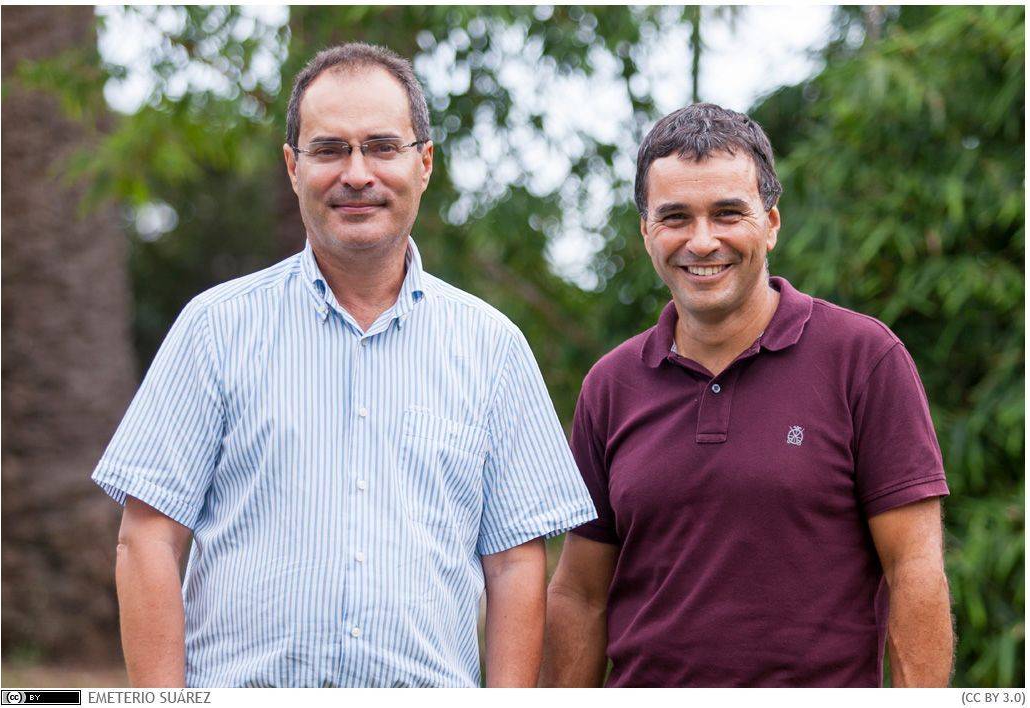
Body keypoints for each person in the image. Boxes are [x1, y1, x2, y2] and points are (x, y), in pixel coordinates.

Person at [93, 42, 595, 688]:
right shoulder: (214, 331)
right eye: (329, 150)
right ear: (293, 167)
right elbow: (147, 540)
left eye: (382, 147)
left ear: (424, 163)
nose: (357, 174)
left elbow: (515, 565)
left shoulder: (494, 350)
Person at [539, 103, 953, 688]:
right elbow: (581, 594)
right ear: (646, 232)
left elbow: (914, 569)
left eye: (728, 213)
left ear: (771, 222)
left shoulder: (864, 360)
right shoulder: (611, 385)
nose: (702, 241)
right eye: (675, 217)